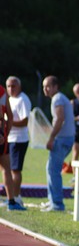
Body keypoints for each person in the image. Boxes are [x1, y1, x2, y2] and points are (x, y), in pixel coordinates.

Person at [41, 75, 75, 212]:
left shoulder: (58, 98)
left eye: (48, 86)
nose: (45, 89)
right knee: (51, 168)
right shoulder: (59, 98)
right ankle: (53, 201)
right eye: (43, 86)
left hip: (62, 139)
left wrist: (51, 138)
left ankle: (57, 204)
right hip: (66, 138)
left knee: (53, 170)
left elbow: (60, 119)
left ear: (56, 86)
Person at [6, 76, 32, 206]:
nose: (11, 89)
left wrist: (8, 122)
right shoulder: (9, 99)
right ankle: (11, 195)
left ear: (19, 86)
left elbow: (24, 121)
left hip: (19, 139)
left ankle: (16, 197)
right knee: (8, 169)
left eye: (14, 86)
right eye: (9, 86)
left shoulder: (23, 99)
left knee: (15, 170)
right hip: (9, 138)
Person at [0, 82, 25, 211]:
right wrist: (6, 132)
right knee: (6, 169)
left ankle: (11, 201)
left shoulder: (2, 92)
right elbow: (9, 116)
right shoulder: (2, 91)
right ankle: (11, 201)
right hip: (2, 135)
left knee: (6, 168)